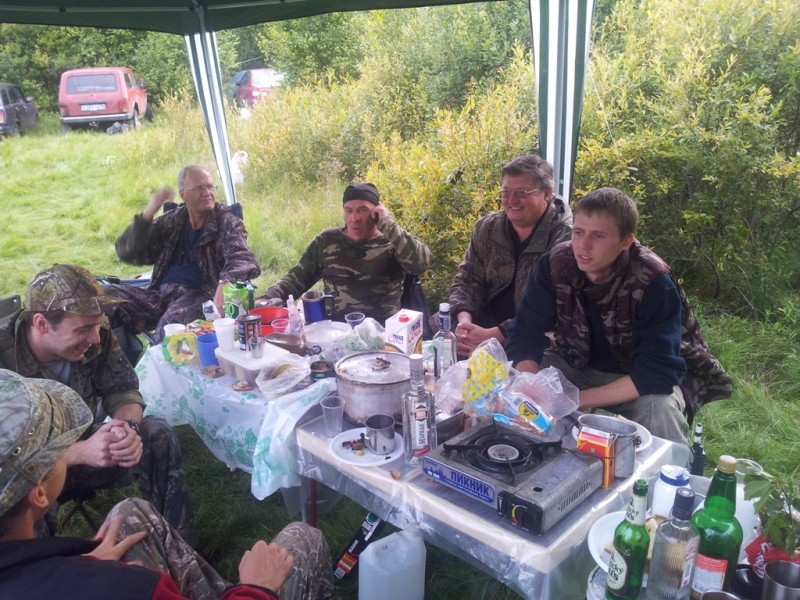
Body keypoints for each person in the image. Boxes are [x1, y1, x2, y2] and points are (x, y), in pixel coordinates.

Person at [0, 369, 334, 600]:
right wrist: (257, 587)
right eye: (59, 447)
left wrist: (81, 565)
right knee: (305, 537)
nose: (67, 449)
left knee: (130, 513)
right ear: (38, 492)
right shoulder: (124, 588)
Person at [505, 187, 731, 444]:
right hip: (576, 362)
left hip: (634, 377)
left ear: (626, 241)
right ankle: (520, 455)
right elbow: (524, 333)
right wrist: (532, 383)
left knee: (661, 410)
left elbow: (656, 372)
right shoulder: (556, 263)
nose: (583, 245)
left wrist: (573, 400)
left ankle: (670, 468)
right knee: (512, 383)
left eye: (598, 236)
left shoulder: (654, 280)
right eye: (578, 232)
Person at [0, 264, 196, 544]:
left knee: (158, 433)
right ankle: (44, 568)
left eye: (97, 325)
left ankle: (178, 547)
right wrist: (77, 453)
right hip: (22, 473)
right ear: (42, 324)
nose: (94, 338)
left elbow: (123, 389)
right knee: (23, 498)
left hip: (89, 447)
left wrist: (126, 429)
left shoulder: (96, 333)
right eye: (83, 329)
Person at [105, 164, 261, 342]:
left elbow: (243, 258)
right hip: (159, 296)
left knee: (169, 330)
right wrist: (149, 212)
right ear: (183, 194)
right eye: (199, 188)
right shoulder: (174, 220)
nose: (207, 193)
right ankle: (113, 358)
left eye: (210, 186)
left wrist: (226, 282)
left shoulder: (227, 221)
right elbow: (129, 251)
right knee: (102, 297)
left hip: (200, 298)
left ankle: (158, 359)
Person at [449, 155, 572, 356]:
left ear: (546, 194)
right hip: (483, 322)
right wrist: (464, 323)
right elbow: (467, 279)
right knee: (438, 335)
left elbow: (554, 308)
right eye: (506, 192)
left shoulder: (566, 239)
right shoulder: (487, 228)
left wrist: (495, 335)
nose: (512, 200)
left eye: (521, 193)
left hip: (535, 333)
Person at [259, 183, 431, 322]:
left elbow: (421, 264)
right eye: (349, 210)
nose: (354, 218)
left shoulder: (393, 241)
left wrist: (387, 223)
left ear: (376, 212)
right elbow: (296, 278)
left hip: (383, 332)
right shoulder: (327, 241)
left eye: (363, 210)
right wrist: (266, 298)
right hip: (335, 330)